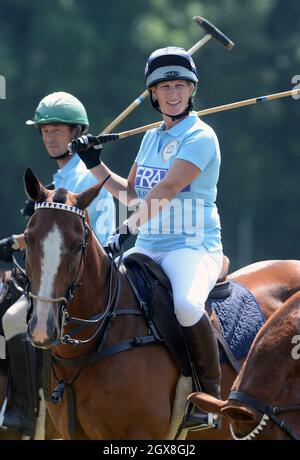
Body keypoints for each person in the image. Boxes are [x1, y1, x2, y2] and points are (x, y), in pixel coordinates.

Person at [69, 47, 224, 430]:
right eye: (165, 87)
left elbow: (167, 190)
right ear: (153, 94)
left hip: (193, 244)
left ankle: (209, 396)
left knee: (188, 306)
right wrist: (95, 164)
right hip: (150, 245)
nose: (173, 94)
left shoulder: (201, 136)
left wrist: (125, 229)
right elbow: (132, 195)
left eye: (180, 86)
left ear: (192, 90)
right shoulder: (152, 139)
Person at [0, 92, 115, 436]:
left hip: (83, 277)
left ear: (76, 132)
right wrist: (15, 243)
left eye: (58, 130)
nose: (50, 137)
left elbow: (89, 238)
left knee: (14, 319)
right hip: (61, 268)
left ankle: (23, 408)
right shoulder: (63, 178)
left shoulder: (83, 178)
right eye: (45, 131)